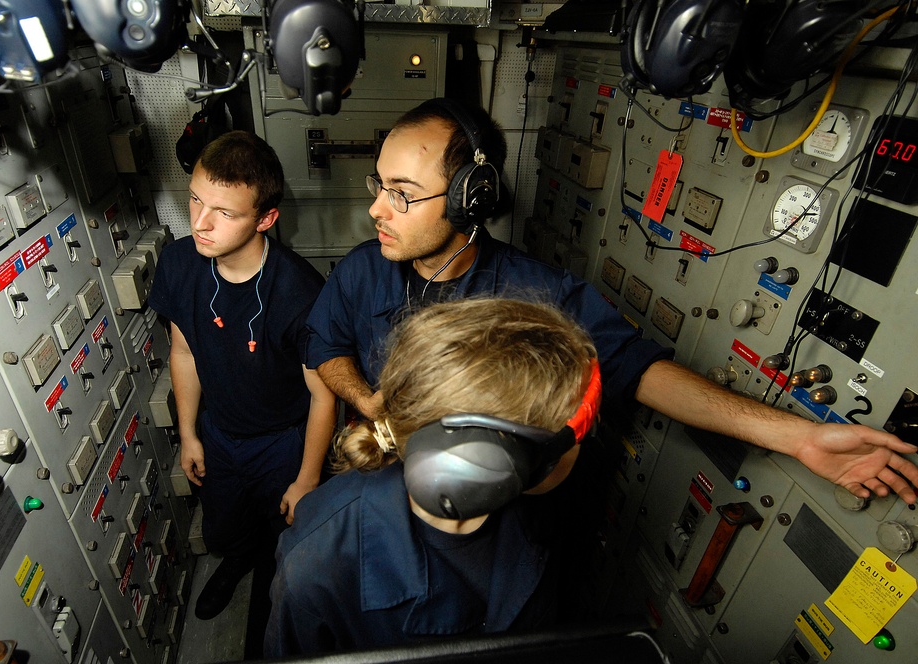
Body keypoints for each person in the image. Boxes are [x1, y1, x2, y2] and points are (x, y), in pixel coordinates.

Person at [305, 97, 918, 505]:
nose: (376, 209)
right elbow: (326, 347)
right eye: (378, 185)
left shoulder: (535, 295)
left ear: (472, 197)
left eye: (402, 193)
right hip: (375, 494)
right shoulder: (363, 271)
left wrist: (796, 438)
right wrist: (372, 401)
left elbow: (643, 372)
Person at [266, 298, 603, 656]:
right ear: (484, 459)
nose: (586, 439)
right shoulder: (314, 564)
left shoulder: (545, 505)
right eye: (576, 429)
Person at [148, 131, 336, 636]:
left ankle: (278, 589)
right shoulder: (179, 263)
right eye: (195, 200)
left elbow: (324, 394)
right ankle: (236, 565)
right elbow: (184, 351)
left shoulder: (301, 291)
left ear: (265, 219)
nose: (200, 223)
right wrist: (189, 433)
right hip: (219, 432)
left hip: (284, 442)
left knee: (289, 536)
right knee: (226, 527)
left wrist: (308, 477)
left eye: (224, 213)